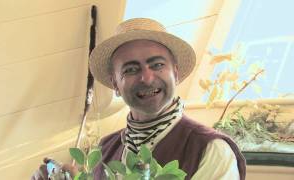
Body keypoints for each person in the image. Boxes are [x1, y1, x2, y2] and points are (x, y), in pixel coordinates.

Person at [31, 18, 246, 180]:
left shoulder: (211, 150)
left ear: (176, 73)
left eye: (157, 65)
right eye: (131, 69)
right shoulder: (104, 149)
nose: (146, 77)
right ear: (115, 84)